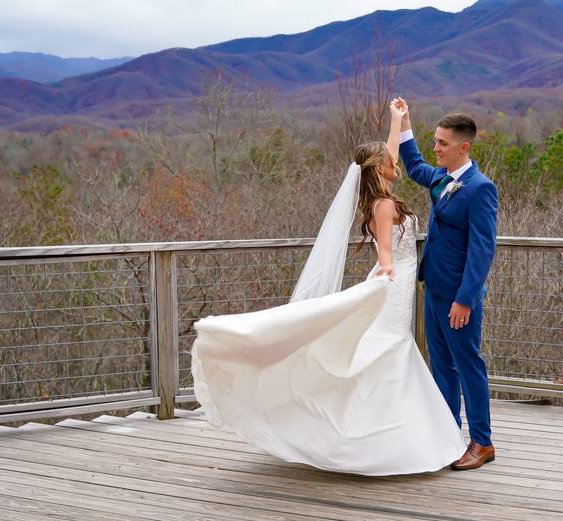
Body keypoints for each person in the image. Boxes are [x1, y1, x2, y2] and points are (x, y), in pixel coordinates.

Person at [190, 101, 465, 475]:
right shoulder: (383, 205)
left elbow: (387, 156)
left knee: (389, 351)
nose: (395, 162)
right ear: (379, 169)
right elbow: (386, 249)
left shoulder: (380, 191)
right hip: (394, 282)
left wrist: (397, 121)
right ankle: (387, 440)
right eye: (390, 159)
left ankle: (396, 436)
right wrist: (386, 271)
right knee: (390, 350)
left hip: (397, 282)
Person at [397, 99, 499, 470]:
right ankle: (446, 434)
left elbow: (482, 249)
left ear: (463, 147)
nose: (435, 148)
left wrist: (466, 299)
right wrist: (404, 123)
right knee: (441, 365)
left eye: (441, 143)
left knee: (468, 364)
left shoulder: (480, 189)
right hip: (434, 290)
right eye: (434, 141)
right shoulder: (441, 178)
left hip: (459, 297)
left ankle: (482, 443)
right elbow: (413, 166)